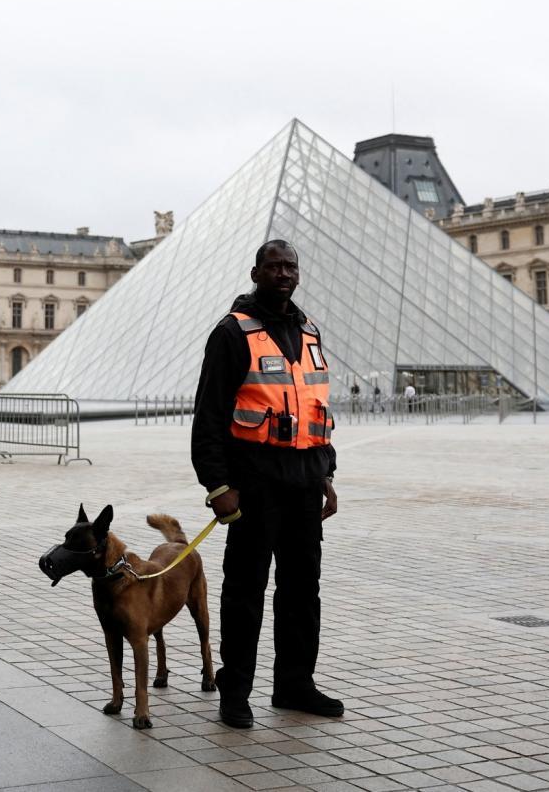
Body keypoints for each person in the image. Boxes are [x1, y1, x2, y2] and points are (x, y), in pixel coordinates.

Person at [191, 239, 341, 730]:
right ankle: (235, 691)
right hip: (254, 485)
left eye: (290, 266)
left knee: (302, 590)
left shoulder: (309, 330)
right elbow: (208, 416)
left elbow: (316, 408)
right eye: (273, 266)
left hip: (304, 483)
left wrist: (326, 473)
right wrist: (218, 486)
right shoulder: (232, 332)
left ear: (298, 273)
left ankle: (295, 684)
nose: (283, 274)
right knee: (245, 592)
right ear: (255, 273)